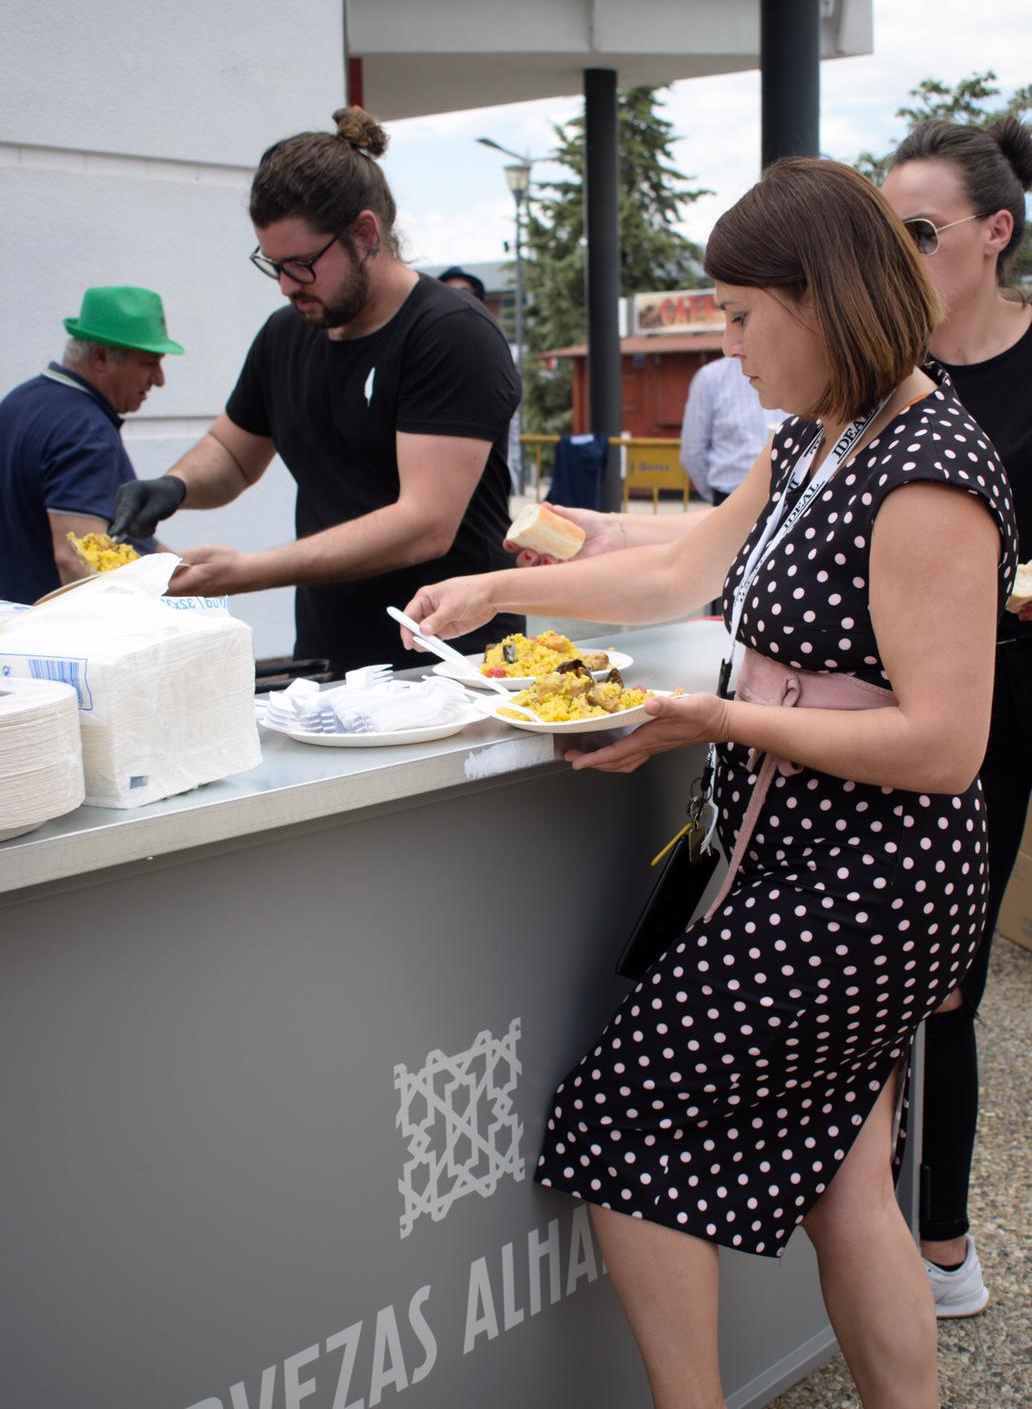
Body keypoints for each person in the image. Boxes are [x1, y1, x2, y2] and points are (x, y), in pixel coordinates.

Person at [399, 157, 1017, 1409]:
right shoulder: (822, 438)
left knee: (621, 1122)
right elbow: (681, 566)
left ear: (821, 298)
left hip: (874, 874)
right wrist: (501, 585)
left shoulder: (928, 469)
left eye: (739, 316)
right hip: (816, 851)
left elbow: (947, 744)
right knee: (848, 1178)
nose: (727, 349)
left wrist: (708, 718)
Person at [112, 107, 523, 674]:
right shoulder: (289, 332)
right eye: (273, 264)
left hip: (454, 662)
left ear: (365, 234)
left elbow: (425, 524)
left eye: (302, 264)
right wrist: (175, 485)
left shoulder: (449, 334)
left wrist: (248, 570)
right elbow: (234, 454)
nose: (285, 285)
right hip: (331, 656)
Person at [882, 114, 1032, 1318]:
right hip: (877, 699)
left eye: (918, 232)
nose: (897, 254)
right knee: (876, 971)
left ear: (996, 233)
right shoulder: (879, 371)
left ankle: (938, 1241)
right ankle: (864, 1226)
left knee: (946, 979)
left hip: (1001, 705)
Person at [0, 286, 183, 605]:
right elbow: (77, 559)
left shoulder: (18, 402)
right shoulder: (85, 430)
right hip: (57, 640)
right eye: (148, 362)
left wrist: (180, 567)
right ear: (100, 357)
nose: (160, 378)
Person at [679, 353, 785, 506]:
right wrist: (718, 496)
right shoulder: (710, 378)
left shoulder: (792, 372)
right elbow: (692, 452)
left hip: (788, 499)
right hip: (729, 496)